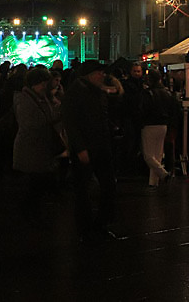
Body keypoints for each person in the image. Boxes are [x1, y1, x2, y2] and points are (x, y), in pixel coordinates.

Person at [61, 60, 118, 243]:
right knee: (86, 189)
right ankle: (88, 228)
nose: (102, 75)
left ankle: (95, 226)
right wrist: (80, 148)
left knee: (103, 186)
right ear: (89, 75)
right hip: (90, 147)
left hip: (98, 145)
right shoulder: (78, 92)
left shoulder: (93, 91)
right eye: (98, 72)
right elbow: (72, 123)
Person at [12, 67, 64, 225]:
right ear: (35, 84)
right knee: (33, 186)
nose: (44, 87)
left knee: (36, 186)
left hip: (39, 148)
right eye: (42, 84)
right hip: (31, 149)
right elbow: (32, 123)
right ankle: (30, 217)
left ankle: (32, 215)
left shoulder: (40, 97)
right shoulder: (26, 99)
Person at [139, 69, 180, 189]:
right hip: (163, 125)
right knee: (157, 154)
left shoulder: (148, 93)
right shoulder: (167, 93)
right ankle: (153, 181)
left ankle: (163, 174)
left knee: (148, 155)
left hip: (149, 124)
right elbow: (174, 110)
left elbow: (143, 109)